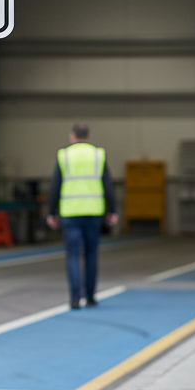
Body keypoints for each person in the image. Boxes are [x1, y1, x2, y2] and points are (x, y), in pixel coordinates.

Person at [46, 123, 118, 309]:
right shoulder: (98, 155)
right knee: (91, 255)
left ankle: (75, 298)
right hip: (93, 212)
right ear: (87, 136)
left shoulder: (64, 156)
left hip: (70, 213)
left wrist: (51, 212)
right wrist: (112, 210)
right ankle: (91, 297)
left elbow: (55, 186)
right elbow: (108, 185)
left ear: (72, 136)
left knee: (72, 256)